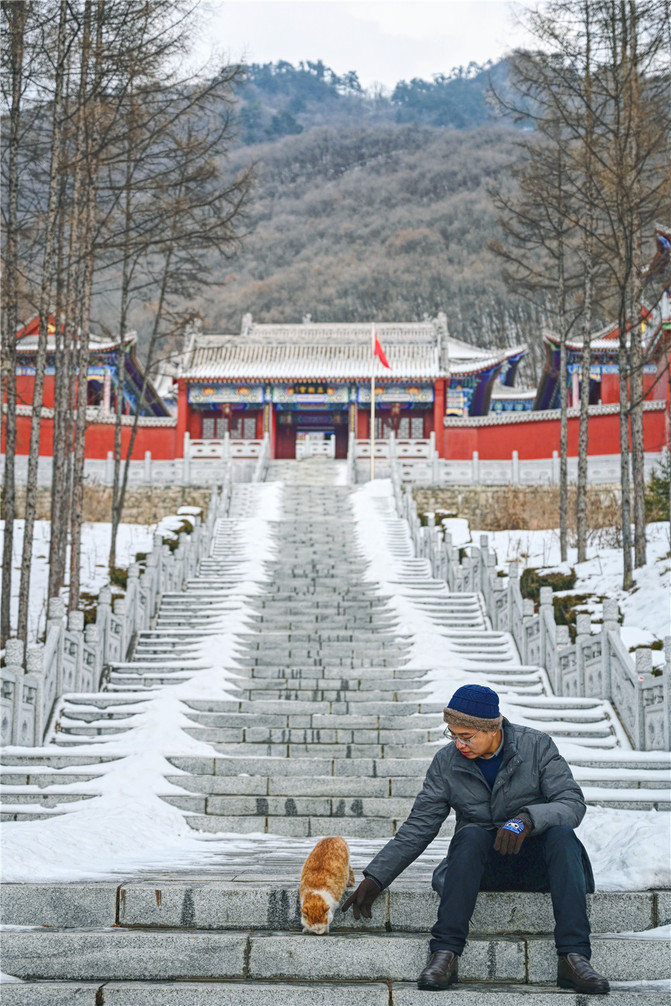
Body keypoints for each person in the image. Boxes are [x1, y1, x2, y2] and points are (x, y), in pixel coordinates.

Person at [342, 683, 609, 994]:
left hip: (541, 867)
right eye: (453, 735)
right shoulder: (446, 763)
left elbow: (572, 803)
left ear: (493, 728)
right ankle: (445, 954)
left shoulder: (537, 746)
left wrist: (527, 819)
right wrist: (376, 877)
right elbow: (419, 826)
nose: (459, 744)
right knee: (469, 834)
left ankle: (574, 958)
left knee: (562, 836)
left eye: (466, 736)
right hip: (478, 868)